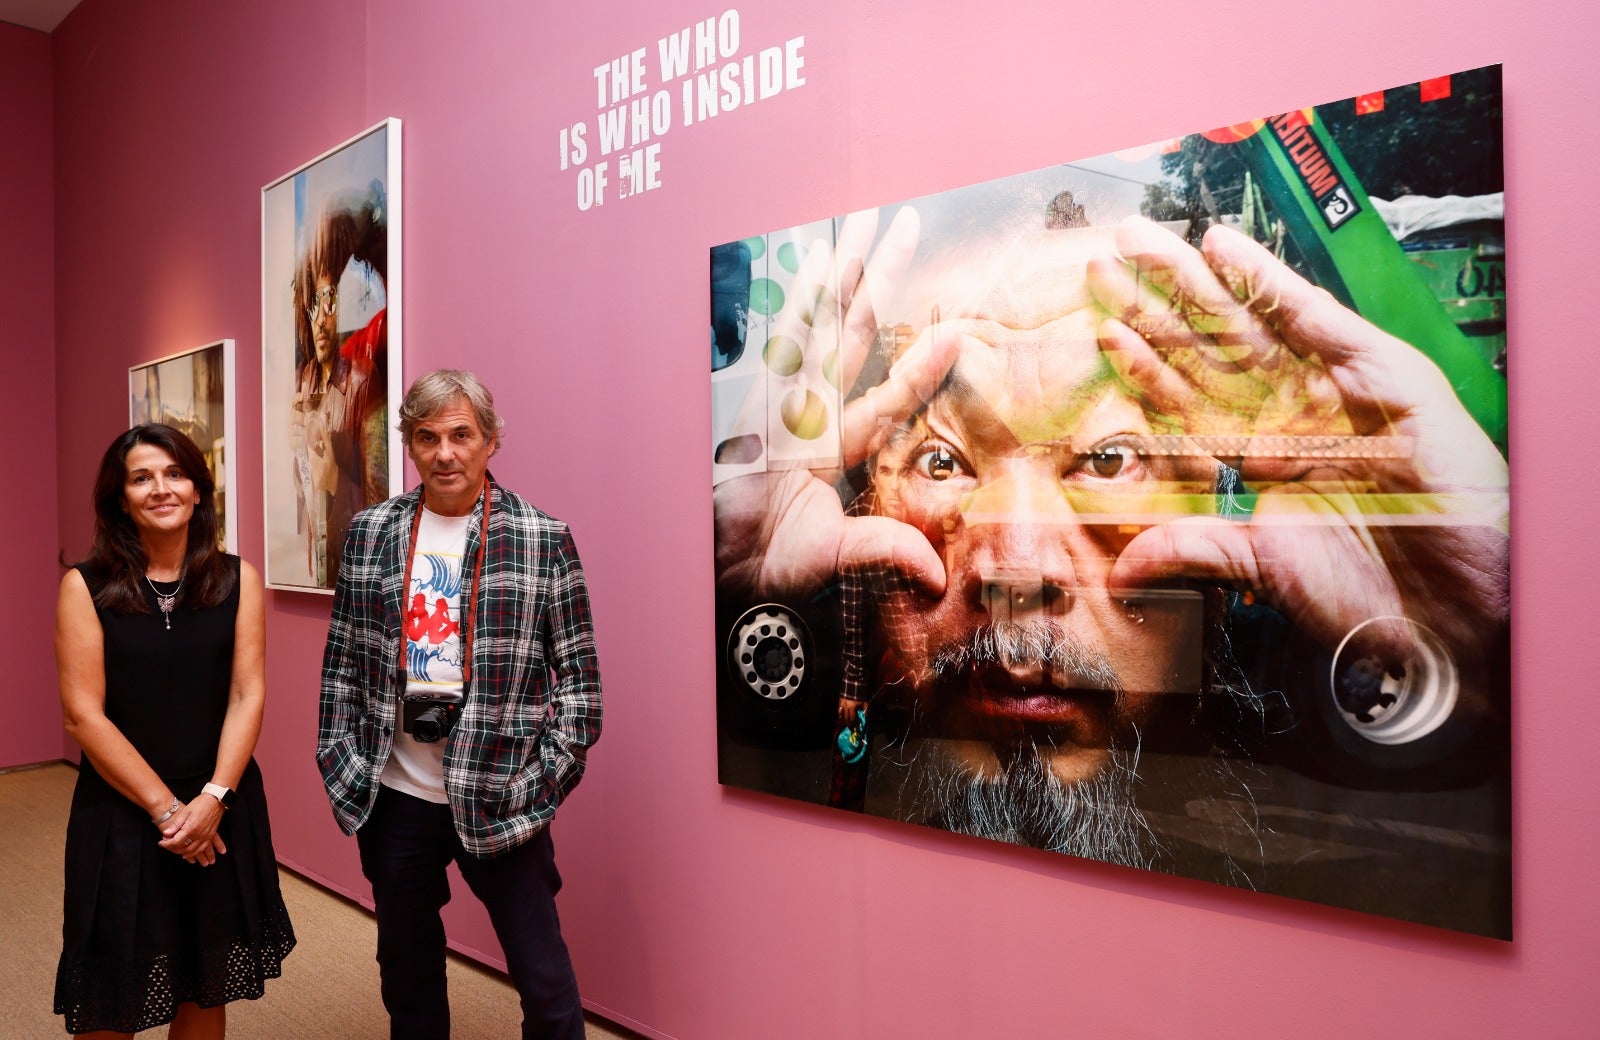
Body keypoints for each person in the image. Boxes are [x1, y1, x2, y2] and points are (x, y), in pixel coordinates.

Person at [714, 211, 1509, 876]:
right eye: (942, 461)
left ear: (1213, 498)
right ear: (864, 497)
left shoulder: (1304, 685)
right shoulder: (804, 668)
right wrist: (724, 581)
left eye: (1107, 458)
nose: (1017, 567)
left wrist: (1486, 631)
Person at [316, 369, 602, 1040]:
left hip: (503, 793)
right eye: (427, 437)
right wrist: (342, 760)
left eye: (461, 435)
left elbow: (580, 686)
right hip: (397, 795)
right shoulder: (371, 533)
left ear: (490, 441)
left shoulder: (542, 538)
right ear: (410, 445)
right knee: (407, 978)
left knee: (546, 986)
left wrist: (539, 784)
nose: (444, 453)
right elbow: (342, 665)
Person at [54, 424, 295, 1037]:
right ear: (120, 499)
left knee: (202, 983)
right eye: (141, 478)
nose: (161, 489)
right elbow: (83, 716)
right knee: (109, 996)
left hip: (219, 806)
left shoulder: (238, 580)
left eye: (175, 474)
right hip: (122, 812)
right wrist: (168, 812)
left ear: (197, 490)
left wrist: (214, 799)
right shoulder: (85, 586)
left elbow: (247, 694)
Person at [291, 192, 389, 589]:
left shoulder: (362, 378)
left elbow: (380, 495)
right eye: (313, 305)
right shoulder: (305, 380)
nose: (320, 318)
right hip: (322, 568)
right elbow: (301, 489)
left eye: (330, 300)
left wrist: (333, 475)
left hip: (357, 569)